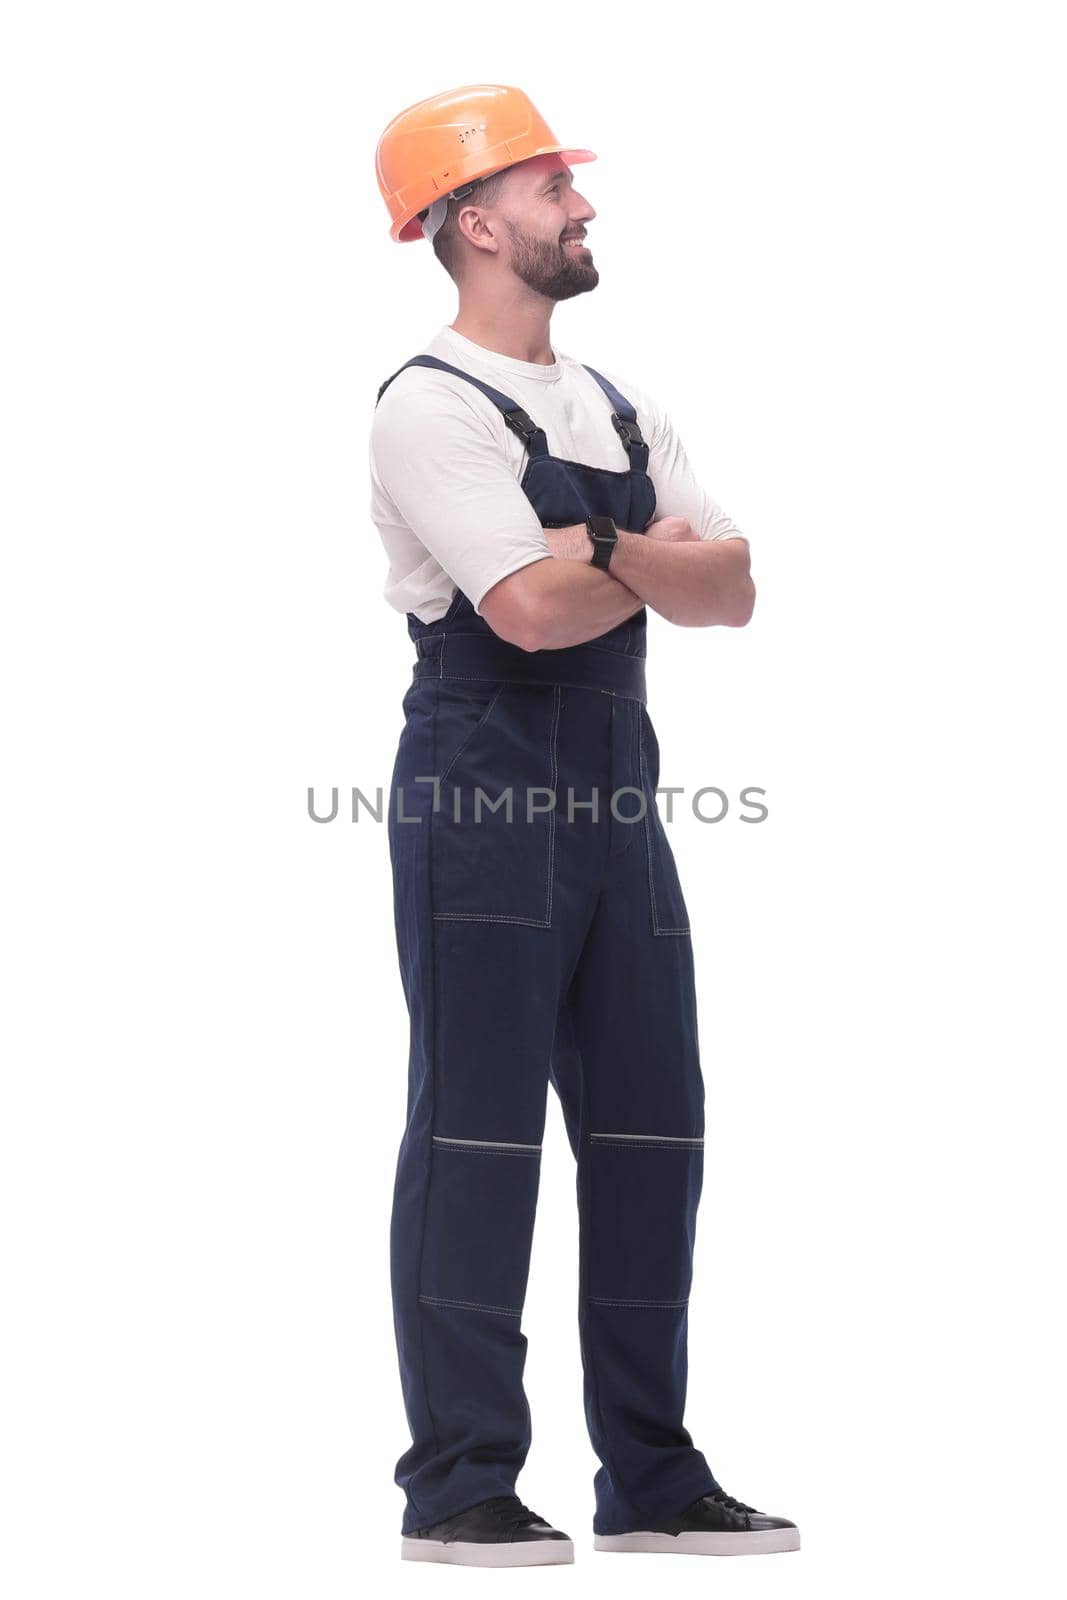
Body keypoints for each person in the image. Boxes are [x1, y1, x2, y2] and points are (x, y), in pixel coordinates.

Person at [370, 83, 799, 1568]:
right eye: (556, 188)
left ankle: (654, 1477)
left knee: (651, 1130)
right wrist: (644, 558)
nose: (586, 206)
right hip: (479, 793)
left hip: (622, 800)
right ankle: (461, 1485)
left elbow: (735, 588)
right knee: (478, 1134)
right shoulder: (428, 406)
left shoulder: (620, 406)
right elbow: (531, 615)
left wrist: (597, 541)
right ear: (475, 222)